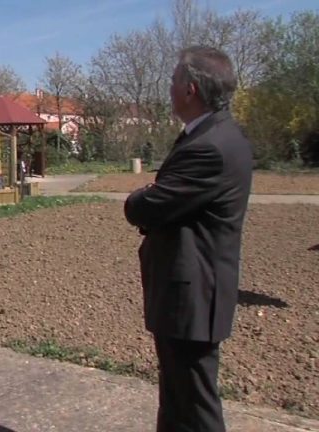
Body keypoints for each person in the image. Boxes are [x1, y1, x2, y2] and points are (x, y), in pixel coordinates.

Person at [123, 45, 253, 432]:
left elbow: (146, 207)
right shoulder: (211, 135)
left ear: (191, 89)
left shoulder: (210, 147)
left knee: (195, 405)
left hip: (192, 295)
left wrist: (140, 196)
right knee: (179, 398)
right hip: (188, 293)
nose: (169, 88)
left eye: (174, 80)